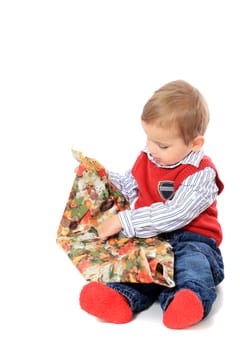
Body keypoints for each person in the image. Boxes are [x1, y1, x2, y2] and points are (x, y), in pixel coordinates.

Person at [79, 80, 224, 329]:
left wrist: (124, 221)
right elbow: (128, 185)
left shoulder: (201, 173)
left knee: (191, 267)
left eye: (162, 145)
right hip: (151, 239)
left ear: (194, 144)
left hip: (193, 240)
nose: (150, 148)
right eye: (148, 138)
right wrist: (101, 176)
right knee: (137, 265)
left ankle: (187, 299)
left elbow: (175, 213)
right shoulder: (148, 157)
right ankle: (118, 295)